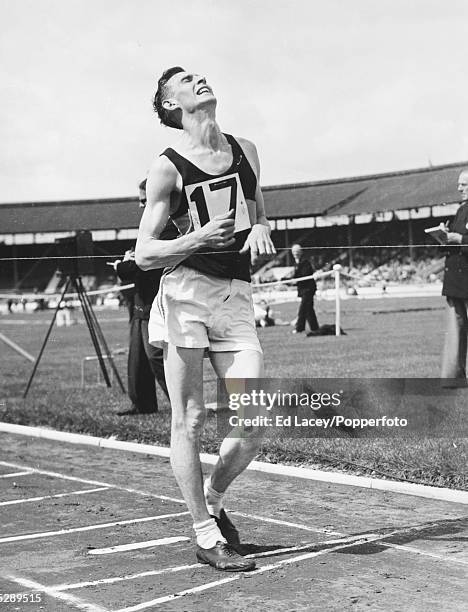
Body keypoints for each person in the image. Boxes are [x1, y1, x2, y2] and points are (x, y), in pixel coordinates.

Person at [135, 67, 275, 571]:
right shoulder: (167, 168)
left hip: (237, 295)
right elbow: (144, 253)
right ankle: (202, 532)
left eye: (201, 75)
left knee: (254, 419)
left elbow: (259, 210)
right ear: (171, 106)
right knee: (190, 419)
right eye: (185, 81)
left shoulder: (247, 150)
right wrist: (195, 239)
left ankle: (213, 502)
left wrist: (259, 227)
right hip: (187, 294)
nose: (200, 80)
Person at [113, 180, 170, 415]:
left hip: (154, 300)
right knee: (138, 359)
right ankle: (143, 404)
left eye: (144, 200)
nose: (140, 205)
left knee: (155, 355)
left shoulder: (166, 224)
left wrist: (126, 265)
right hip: (140, 300)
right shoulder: (150, 223)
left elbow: (145, 263)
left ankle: (182, 403)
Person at [440, 169, 468, 387]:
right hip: (456, 281)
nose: (459, 188)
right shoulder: (461, 210)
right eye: (460, 184)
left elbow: (462, 239)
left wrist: (458, 238)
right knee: (455, 331)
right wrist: (444, 235)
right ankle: (453, 378)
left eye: (464, 184)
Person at [290, 244, 319, 334]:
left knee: (303, 309)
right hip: (303, 289)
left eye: (297, 251)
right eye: (294, 252)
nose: (296, 253)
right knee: (309, 309)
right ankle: (315, 328)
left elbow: (304, 275)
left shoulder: (305, 262)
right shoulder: (296, 263)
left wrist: (294, 280)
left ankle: (299, 328)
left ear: (301, 252)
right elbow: (296, 276)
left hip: (308, 289)